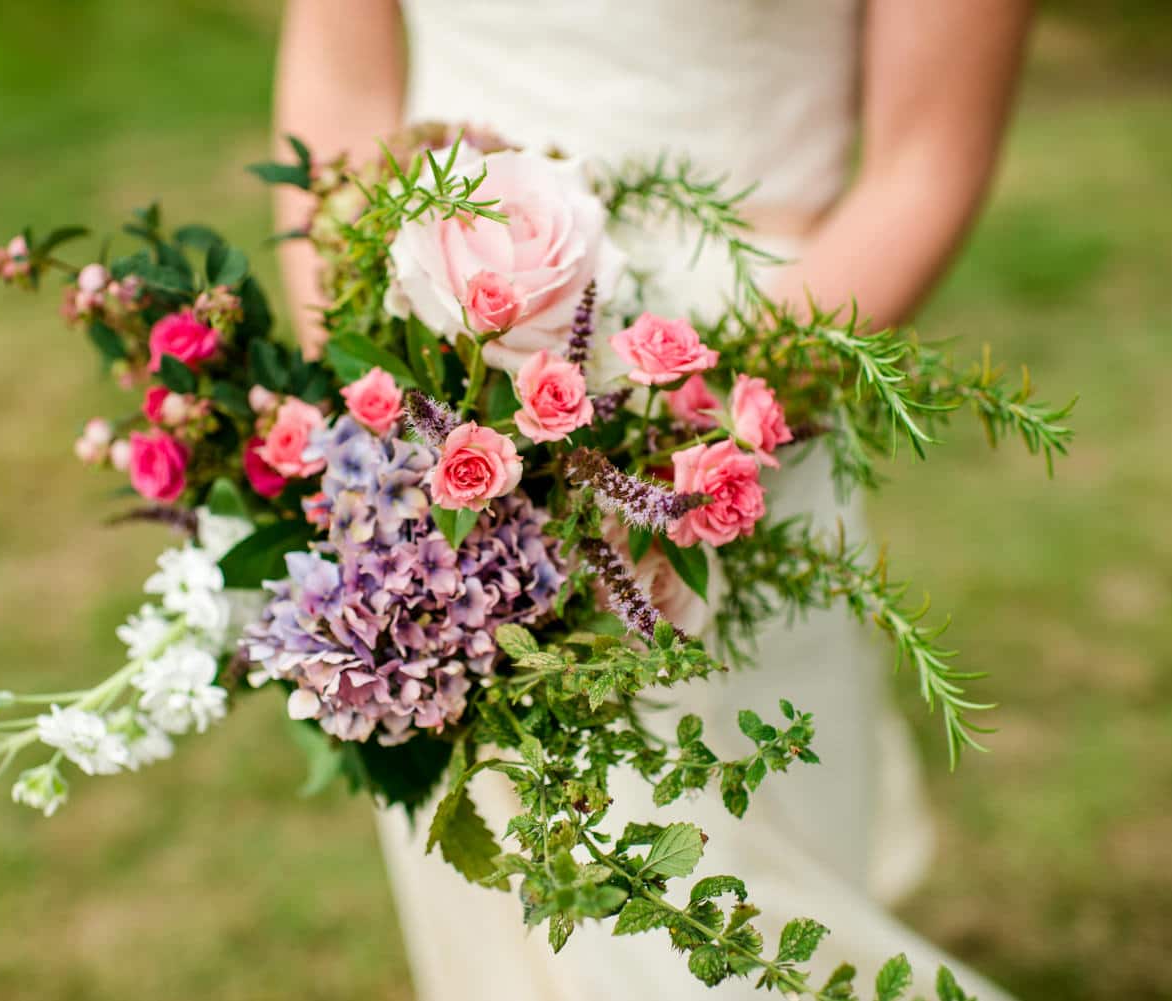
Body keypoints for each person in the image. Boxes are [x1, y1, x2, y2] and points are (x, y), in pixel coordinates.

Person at [272, 2, 1032, 997]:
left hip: (734, 383)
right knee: (504, 894)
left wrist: (691, 440)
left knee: (729, 882)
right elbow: (343, 81)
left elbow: (924, 161)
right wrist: (375, 393)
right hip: (433, 361)